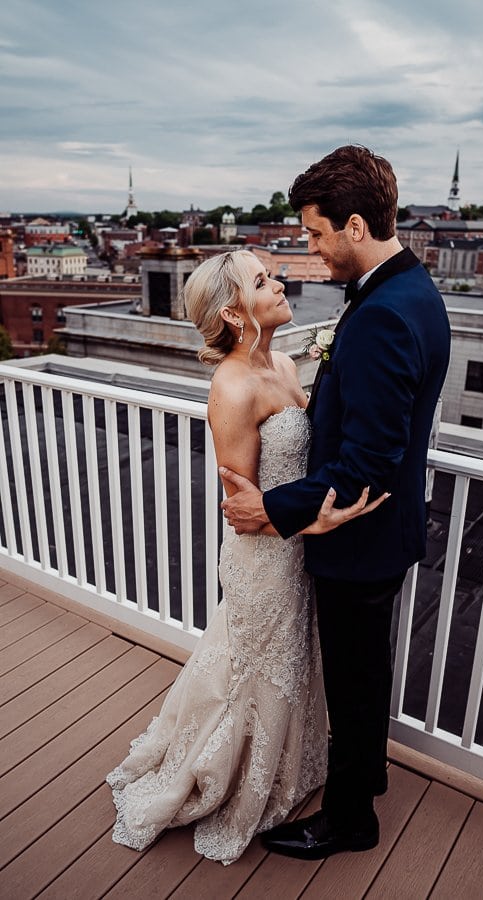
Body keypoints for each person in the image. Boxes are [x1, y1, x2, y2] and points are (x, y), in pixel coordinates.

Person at [106, 249, 384, 865]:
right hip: (264, 559)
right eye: (263, 280)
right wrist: (319, 519)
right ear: (234, 311)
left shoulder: (285, 362)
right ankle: (225, 779)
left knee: (290, 663)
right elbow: (244, 507)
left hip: (300, 549)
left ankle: (288, 765)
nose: (279, 281)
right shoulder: (230, 387)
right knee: (254, 669)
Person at [220, 146, 452, 860]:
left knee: (352, 684)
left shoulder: (383, 313)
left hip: (357, 537)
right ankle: (368, 777)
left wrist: (274, 510)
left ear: (355, 225)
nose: (310, 251)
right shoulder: (413, 290)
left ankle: (350, 821)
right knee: (363, 674)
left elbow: (369, 459)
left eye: (316, 234)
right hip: (383, 532)